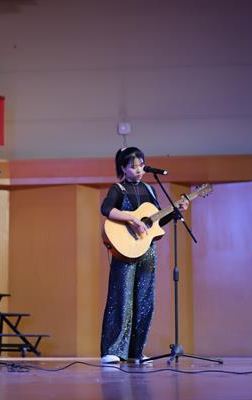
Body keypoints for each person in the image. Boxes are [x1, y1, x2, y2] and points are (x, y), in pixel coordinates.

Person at [99, 147, 188, 364]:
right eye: (133, 167)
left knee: (145, 300)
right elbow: (106, 209)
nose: (139, 170)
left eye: (141, 166)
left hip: (147, 251)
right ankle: (112, 350)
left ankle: (136, 351)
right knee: (122, 299)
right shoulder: (118, 188)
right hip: (125, 252)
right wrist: (132, 219)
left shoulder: (149, 189)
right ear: (123, 168)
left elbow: (156, 222)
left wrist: (176, 210)